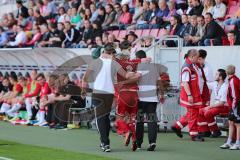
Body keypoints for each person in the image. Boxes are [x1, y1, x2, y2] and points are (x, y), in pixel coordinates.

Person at [81, 44, 141, 152]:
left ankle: (105, 143)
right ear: (111, 53)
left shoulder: (94, 63)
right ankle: (104, 142)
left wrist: (83, 90)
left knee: (100, 119)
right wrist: (137, 73)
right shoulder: (114, 63)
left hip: (98, 93)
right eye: (113, 53)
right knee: (105, 118)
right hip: (109, 94)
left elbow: (85, 78)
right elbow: (127, 75)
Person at [136, 50, 167, 151]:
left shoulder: (138, 67)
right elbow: (160, 83)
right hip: (152, 98)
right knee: (152, 121)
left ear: (138, 58)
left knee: (139, 121)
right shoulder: (154, 68)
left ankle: (139, 143)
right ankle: (152, 142)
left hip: (140, 98)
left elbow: (135, 80)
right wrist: (162, 94)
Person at [172, 49, 205, 141]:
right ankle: (194, 135)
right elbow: (185, 83)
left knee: (192, 113)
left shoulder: (192, 65)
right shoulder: (187, 67)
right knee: (193, 114)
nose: (198, 59)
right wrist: (189, 95)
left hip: (195, 94)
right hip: (191, 95)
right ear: (192, 57)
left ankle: (177, 126)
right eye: (197, 57)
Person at [115, 41, 140, 151]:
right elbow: (142, 59)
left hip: (124, 93)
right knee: (131, 119)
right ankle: (134, 139)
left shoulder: (118, 64)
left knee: (119, 118)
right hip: (134, 94)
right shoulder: (134, 64)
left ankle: (126, 131)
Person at [198, 69, 229, 138]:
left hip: (225, 107)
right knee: (201, 111)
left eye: (216, 74)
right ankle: (205, 131)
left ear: (220, 77)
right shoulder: (215, 84)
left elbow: (221, 103)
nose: (214, 76)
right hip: (217, 106)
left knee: (208, 112)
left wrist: (210, 106)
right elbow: (204, 83)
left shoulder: (225, 87)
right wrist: (199, 76)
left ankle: (216, 131)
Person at [220, 65, 240, 150]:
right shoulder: (231, 80)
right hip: (233, 105)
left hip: (236, 105)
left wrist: (233, 106)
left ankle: (238, 143)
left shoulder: (233, 81)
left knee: (238, 124)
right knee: (231, 123)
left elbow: (236, 96)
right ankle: (229, 142)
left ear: (227, 72)